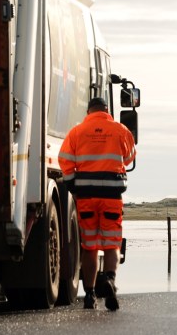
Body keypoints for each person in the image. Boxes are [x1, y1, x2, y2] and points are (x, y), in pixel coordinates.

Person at [58, 96, 136, 310]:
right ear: (107, 110)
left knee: (89, 247)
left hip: (86, 197)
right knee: (112, 243)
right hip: (111, 197)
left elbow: (64, 159)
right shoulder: (120, 130)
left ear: (89, 112)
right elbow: (129, 158)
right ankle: (110, 279)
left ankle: (90, 294)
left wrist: (73, 185)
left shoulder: (77, 132)